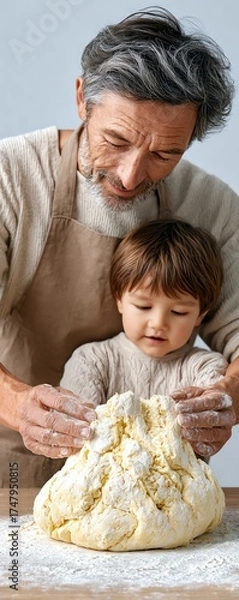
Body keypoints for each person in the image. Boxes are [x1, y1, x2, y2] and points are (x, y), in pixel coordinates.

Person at [0, 7, 238, 487]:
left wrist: (227, 398)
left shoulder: (211, 206)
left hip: (149, 475)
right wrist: (17, 403)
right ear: (82, 98)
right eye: (116, 139)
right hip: (11, 455)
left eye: (164, 154)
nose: (132, 176)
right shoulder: (11, 179)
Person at [61, 218, 229, 459]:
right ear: (119, 299)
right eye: (143, 306)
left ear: (200, 315)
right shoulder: (91, 361)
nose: (158, 323)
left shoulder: (206, 369)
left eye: (179, 312)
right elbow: (80, 443)